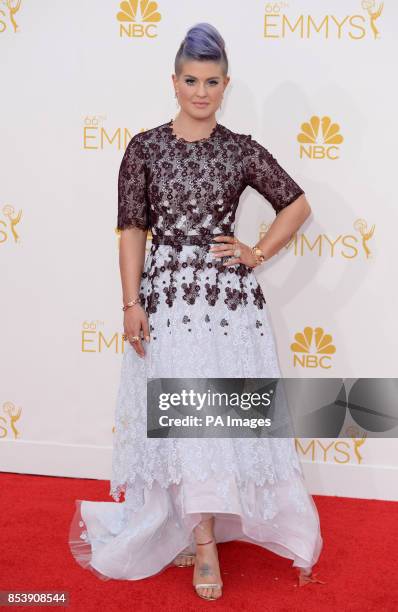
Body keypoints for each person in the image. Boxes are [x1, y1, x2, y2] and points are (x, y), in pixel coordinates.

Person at [68, 22, 324, 602]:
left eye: (211, 82)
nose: (201, 92)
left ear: (226, 84)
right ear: (174, 81)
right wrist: (131, 302)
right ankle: (198, 532)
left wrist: (256, 252)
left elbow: (297, 204)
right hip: (168, 302)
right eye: (190, 80)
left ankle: (203, 530)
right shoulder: (145, 148)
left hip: (227, 306)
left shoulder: (239, 149)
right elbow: (132, 228)